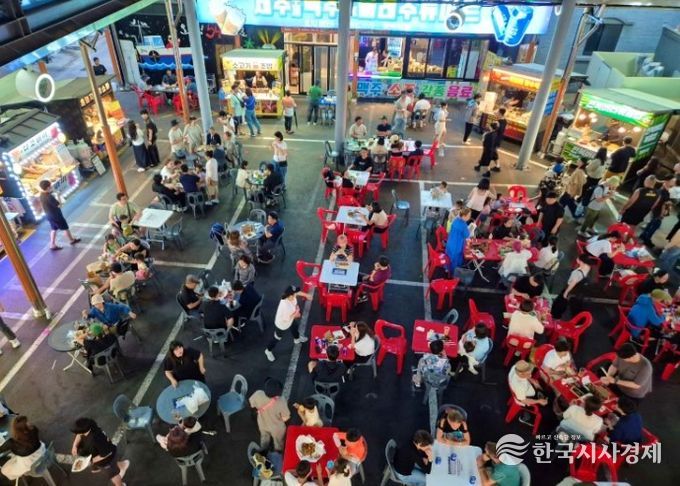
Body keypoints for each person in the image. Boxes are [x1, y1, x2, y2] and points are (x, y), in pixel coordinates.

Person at [71, 418, 129, 486]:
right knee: (113, 465)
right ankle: (123, 465)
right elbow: (79, 435)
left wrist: (89, 460)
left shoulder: (97, 438)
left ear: (83, 430)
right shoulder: (89, 426)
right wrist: (74, 446)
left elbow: (106, 453)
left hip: (107, 460)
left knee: (113, 475)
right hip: (101, 455)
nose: (77, 434)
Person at [265, 286, 310, 362]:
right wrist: (297, 312)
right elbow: (288, 318)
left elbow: (297, 293)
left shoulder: (290, 296)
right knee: (277, 338)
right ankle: (268, 350)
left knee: (294, 327)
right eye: (294, 293)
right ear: (290, 295)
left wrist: (306, 295)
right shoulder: (286, 306)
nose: (296, 294)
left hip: (290, 319)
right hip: (282, 324)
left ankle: (297, 339)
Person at [37, 179, 80, 250]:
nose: (51, 187)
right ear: (47, 187)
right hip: (56, 215)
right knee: (65, 227)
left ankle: (52, 244)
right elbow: (59, 205)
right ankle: (72, 240)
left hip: (49, 215)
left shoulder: (41, 195)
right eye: (50, 186)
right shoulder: (49, 197)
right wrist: (58, 195)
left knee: (54, 229)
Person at [250, 378, 290, 451]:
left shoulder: (258, 394)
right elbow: (285, 418)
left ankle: (264, 450)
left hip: (262, 423)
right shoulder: (281, 401)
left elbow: (252, 404)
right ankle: (278, 452)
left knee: (264, 437)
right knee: (278, 442)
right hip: (276, 428)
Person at [0, 415, 44, 480]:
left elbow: (1, 449)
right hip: (42, 453)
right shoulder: (34, 430)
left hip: (29, 464)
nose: (30, 423)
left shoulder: (12, 442)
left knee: (4, 470)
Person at [551, 254, 594, 319]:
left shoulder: (577, 273)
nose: (576, 259)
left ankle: (555, 315)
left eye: (578, 259)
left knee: (560, 303)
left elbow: (572, 283)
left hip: (570, 288)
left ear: (581, 261)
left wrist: (566, 293)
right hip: (578, 290)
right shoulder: (588, 267)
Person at [640, 176, 676, 246]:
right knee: (655, 225)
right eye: (672, 181)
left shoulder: (666, 189)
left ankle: (643, 235)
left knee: (652, 223)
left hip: (658, 209)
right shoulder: (665, 191)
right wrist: (662, 214)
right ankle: (647, 238)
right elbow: (664, 203)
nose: (674, 183)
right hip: (659, 210)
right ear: (667, 181)